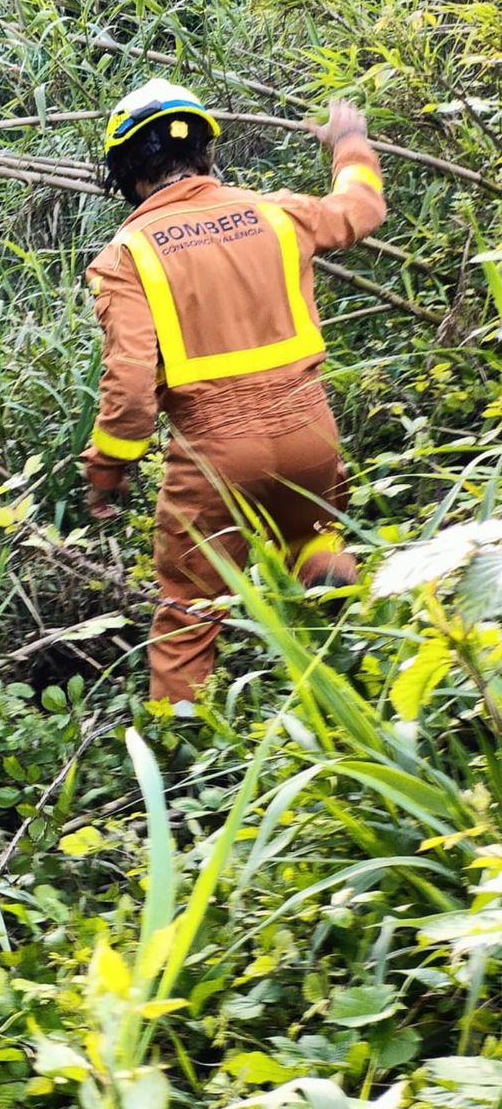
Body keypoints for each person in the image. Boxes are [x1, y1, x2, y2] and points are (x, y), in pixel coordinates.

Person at [81, 79, 387, 709]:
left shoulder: (127, 255)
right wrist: (350, 141)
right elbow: (360, 209)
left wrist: (108, 470)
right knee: (312, 539)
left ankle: (181, 743)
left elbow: (131, 389)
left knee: (188, 609)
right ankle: (361, 676)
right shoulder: (275, 212)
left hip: (215, 455)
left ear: (126, 173)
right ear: (205, 152)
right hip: (310, 436)